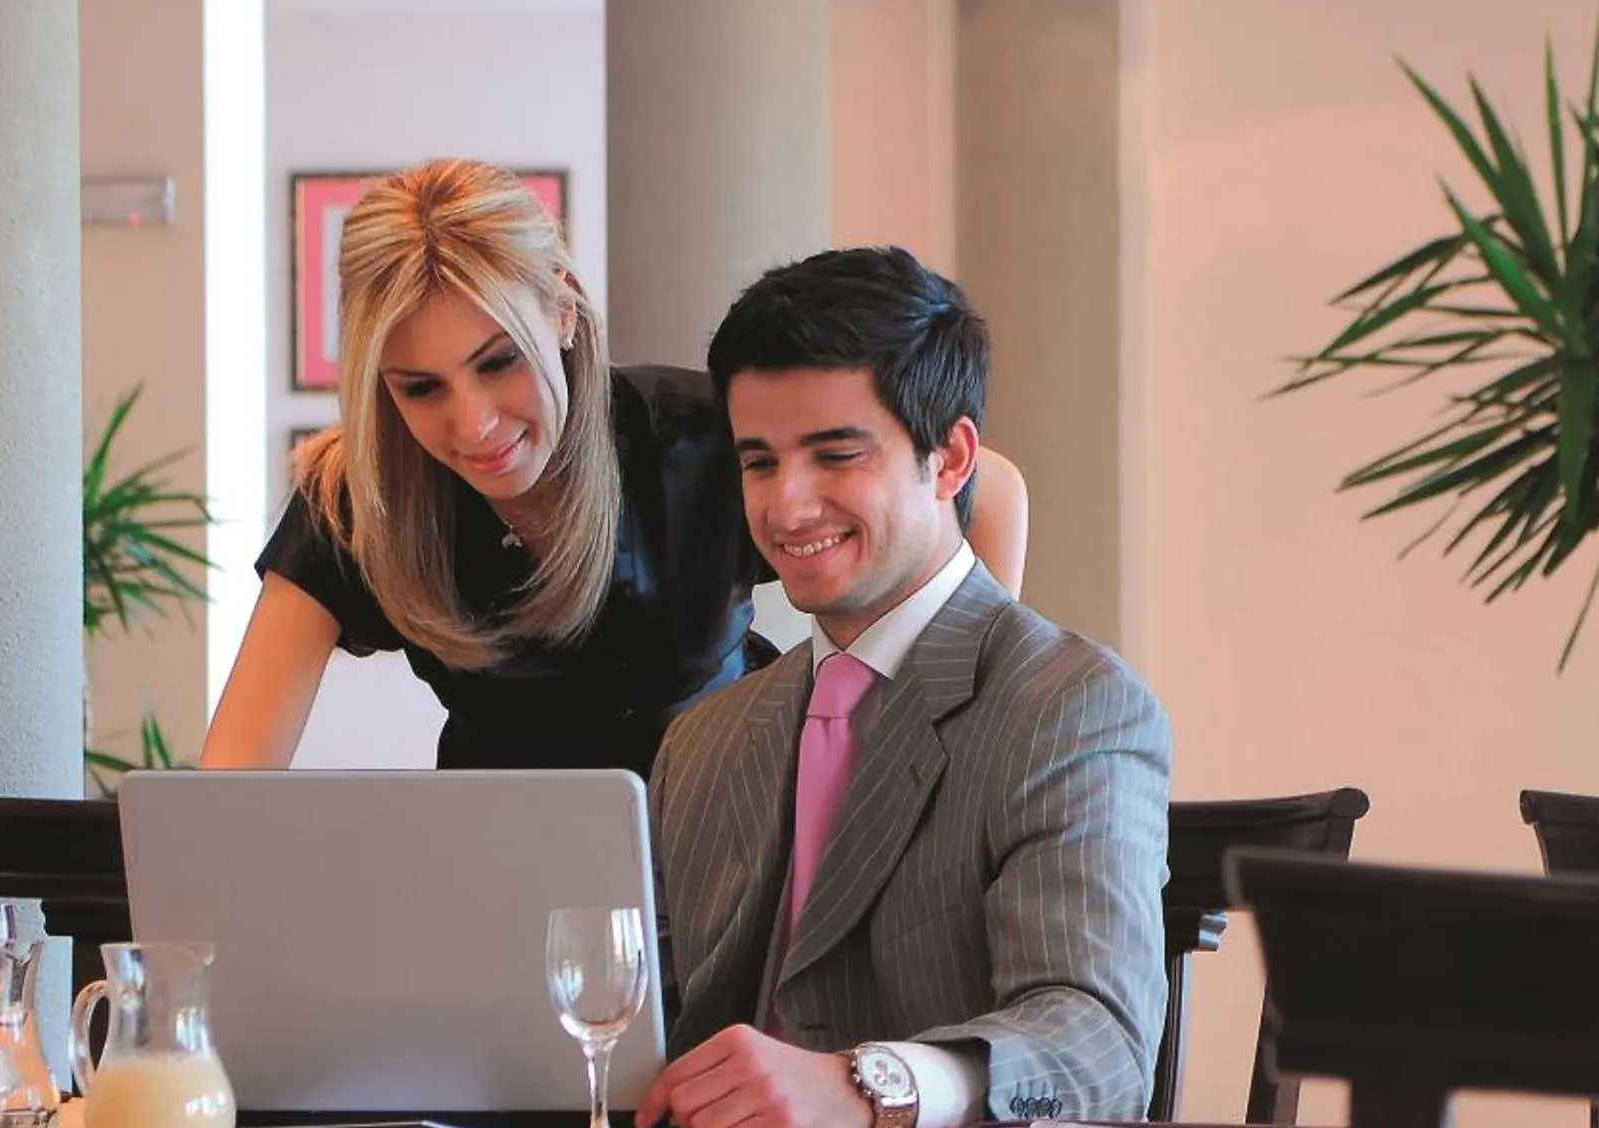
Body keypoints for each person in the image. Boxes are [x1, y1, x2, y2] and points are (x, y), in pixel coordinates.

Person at [201, 160, 1031, 776]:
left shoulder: (694, 438)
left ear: (563, 309)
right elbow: (229, 783)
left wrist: (942, 747)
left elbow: (986, 485)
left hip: (737, 857)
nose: (474, 424)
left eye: (499, 363)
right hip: (510, 875)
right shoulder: (363, 495)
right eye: (421, 389)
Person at [637, 247, 1170, 1128]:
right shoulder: (704, 739)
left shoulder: (1069, 705)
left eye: (835, 455)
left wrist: (868, 1085)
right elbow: (637, 1029)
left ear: (951, 457)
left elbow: (1100, 1043)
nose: (787, 506)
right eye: (758, 462)